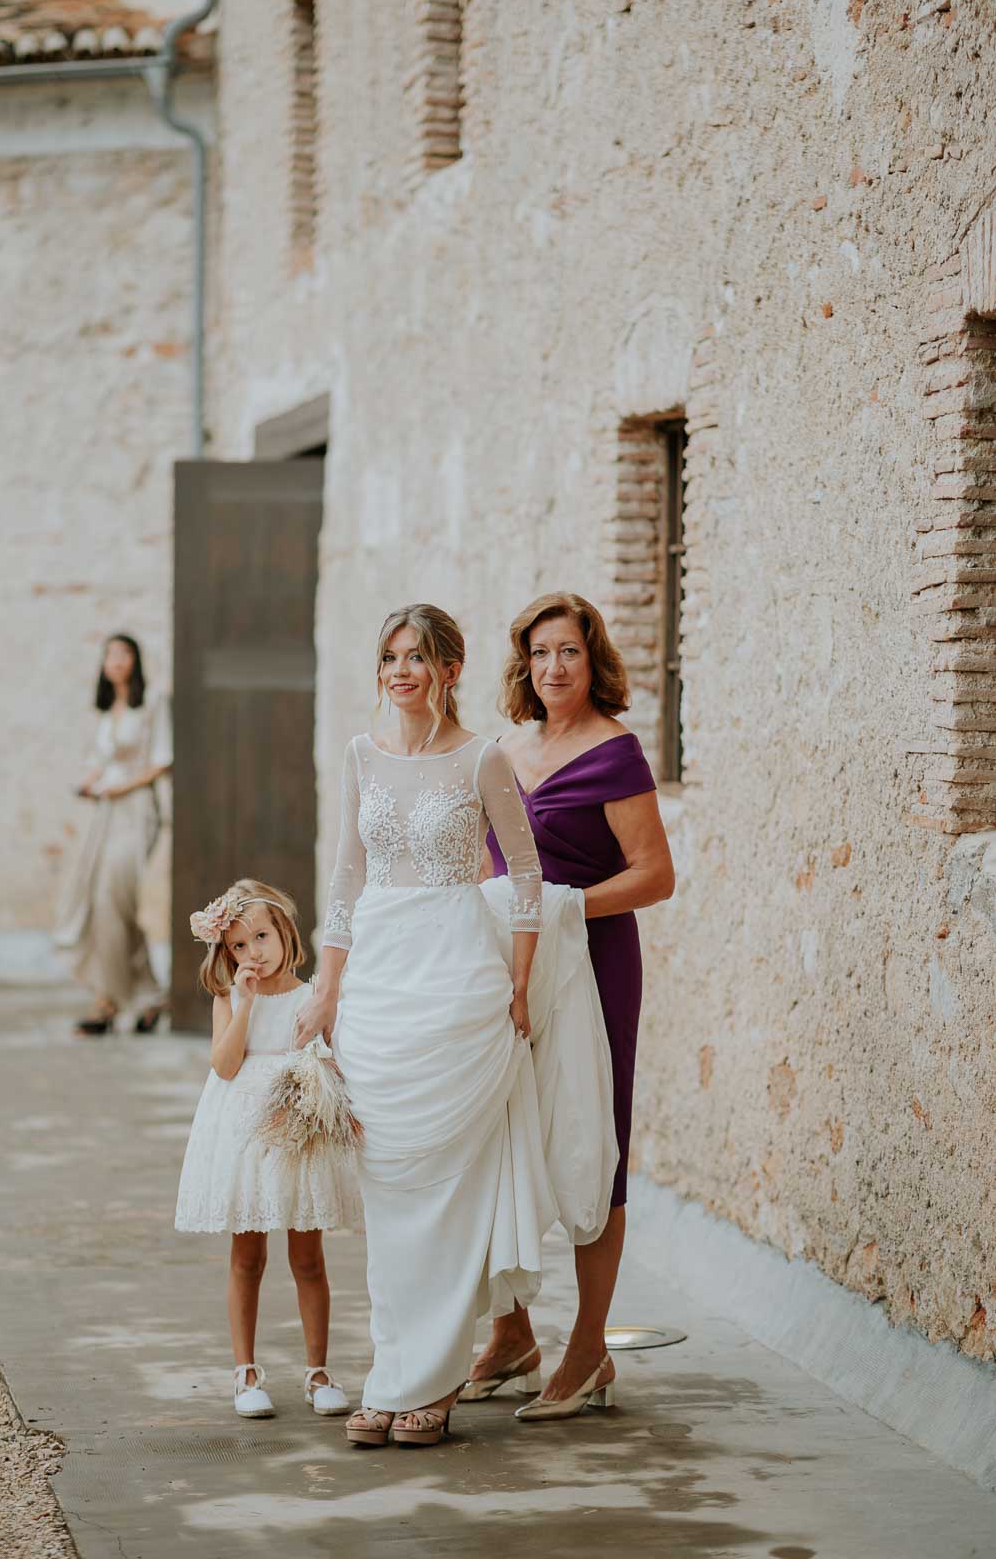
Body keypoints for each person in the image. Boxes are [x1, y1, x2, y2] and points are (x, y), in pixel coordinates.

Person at [295, 604, 555, 1449]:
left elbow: (524, 872)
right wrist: (326, 991)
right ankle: (391, 1372)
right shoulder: (360, 756)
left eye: (417, 657)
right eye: (389, 657)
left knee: (447, 1191)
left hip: (456, 979)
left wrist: (517, 984)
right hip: (377, 982)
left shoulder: (482, 757)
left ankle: (430, 1385)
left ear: (449, 668)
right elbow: (345, 875)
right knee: (392, 1191)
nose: (399, 671)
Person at [467, 591, 675, 1419]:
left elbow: (653, 876)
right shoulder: (504, 752)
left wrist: (557, 908)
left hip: (593, 962)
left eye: (569, 653)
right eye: (540, 653)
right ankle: (512, 1332)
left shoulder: (614, 753)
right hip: (504, 966)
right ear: (523, 664)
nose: (553, 668)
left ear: (594, 664)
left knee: (593, 1138)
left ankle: (588, 1348)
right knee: (496, 1130)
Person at [175, 879, 361, 1419]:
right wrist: (246, 1004)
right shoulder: (231, 996)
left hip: (297, 1129)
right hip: (243, 1135)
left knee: (307, 1256)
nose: (252, 952)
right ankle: (246, 1370)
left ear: (284, 930)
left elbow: (331, 1058)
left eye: (261, 936)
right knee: (247, 1256)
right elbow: (226, 1065)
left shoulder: (315, 997)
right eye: (237, 945)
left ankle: (318, 1369)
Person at [55, 634, 172, 1036]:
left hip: (137, 810)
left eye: (123, 654)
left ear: (136, 660)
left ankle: (111, 1000)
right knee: (100, 901)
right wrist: (87, 785)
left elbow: (161, 762)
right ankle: (140, 996)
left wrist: (118, 788)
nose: (115, 661)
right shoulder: (108, 712)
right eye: (109, 655)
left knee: (114, 898)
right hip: (105, 813)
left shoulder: (152, 701)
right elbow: (99, 762)